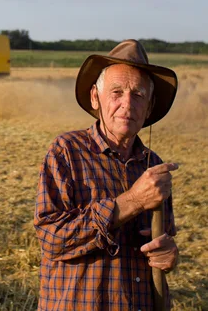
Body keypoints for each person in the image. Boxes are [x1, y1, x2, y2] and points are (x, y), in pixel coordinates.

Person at [34, 40, 179, 311]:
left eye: (138, 95)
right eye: (117, 92)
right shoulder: (67, 151)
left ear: (149, 107)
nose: (127, 104)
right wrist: (131, 202)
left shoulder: (153, 166)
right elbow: (52, 239)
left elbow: (164, 238)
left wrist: (169, 255)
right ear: (95, 97)